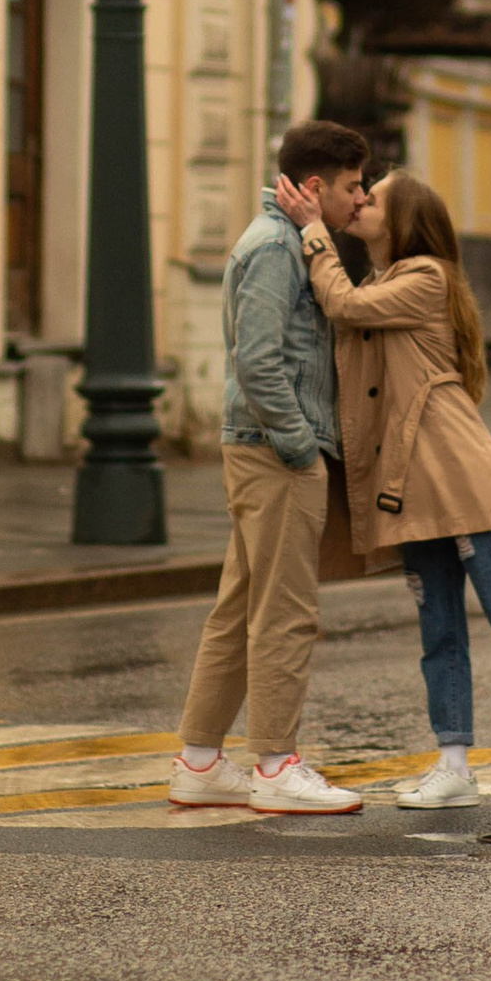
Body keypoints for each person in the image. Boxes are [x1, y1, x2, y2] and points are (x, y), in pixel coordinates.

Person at [276, 165, 491, 810]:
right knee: (437, 622)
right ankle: (454, 763)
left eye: (371, 197)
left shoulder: (425, 278)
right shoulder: (387, 277)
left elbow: (344, 306)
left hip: (455, 472)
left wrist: (314, 233)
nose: (359, 201)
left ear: (403, 218)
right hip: (410, 479)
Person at [167, 121, 375, 818]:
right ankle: (276, 763)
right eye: (352, 185)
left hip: (262, 446)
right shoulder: (277, 249)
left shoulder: (283, 243)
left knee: (239, 609)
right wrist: (297, 446)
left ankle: (200, 761)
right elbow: (256, 361)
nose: (361, 197)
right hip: (276, 451)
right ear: (315, 187)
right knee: (286, 612)